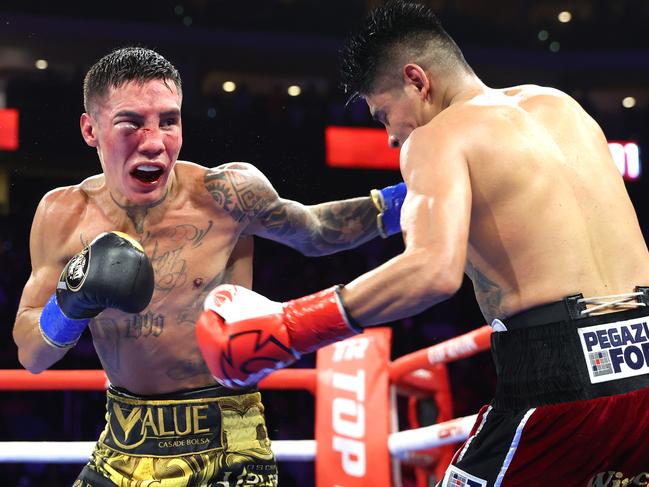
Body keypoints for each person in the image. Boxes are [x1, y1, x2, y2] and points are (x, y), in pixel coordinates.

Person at [196, 2, 649, 486]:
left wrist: (291, 327)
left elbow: (433, 271)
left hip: (559, 378)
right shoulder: (561, 106)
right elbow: (327, 228)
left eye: (384, 114)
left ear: (417, 80)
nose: (390, 137)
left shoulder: (437, 138)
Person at [11, 46, 407, 486]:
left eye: (169, 120)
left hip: (230, 441)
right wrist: (72, 302)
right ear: (91, 128)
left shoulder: (228, 194)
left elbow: (314, 230)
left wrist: (416, 197)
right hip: (125, 440)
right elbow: (31, 354)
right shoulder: (63, 215)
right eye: (132, 123)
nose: (155, 142)